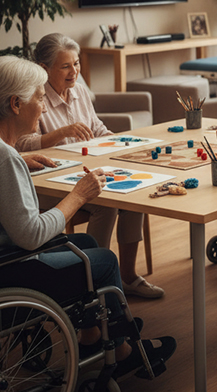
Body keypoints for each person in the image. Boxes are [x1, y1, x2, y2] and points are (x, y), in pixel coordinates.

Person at [0, 55, 176, 379]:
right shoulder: (2, 157)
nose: (43, 108)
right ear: (15, 104)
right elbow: (30, 235)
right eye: (39, 99)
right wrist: (78, 195)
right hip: (7, 273)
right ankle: (122, 351)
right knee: (105, 260)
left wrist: (19, 161)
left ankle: (91, 336)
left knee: (85, 241)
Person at [14, 33, 163, 299]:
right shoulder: (35, 97)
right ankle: (95, 282)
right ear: (44, 69)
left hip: (83, 172)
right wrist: (61, 133)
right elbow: (21, 144)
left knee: (133, 193)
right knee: (106, 202)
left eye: (76, 63)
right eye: (65, 66)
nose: (74, 72)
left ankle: (127, 276)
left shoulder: (80, 91)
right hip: (47, 182)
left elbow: (97, 128)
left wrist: (122, 143)